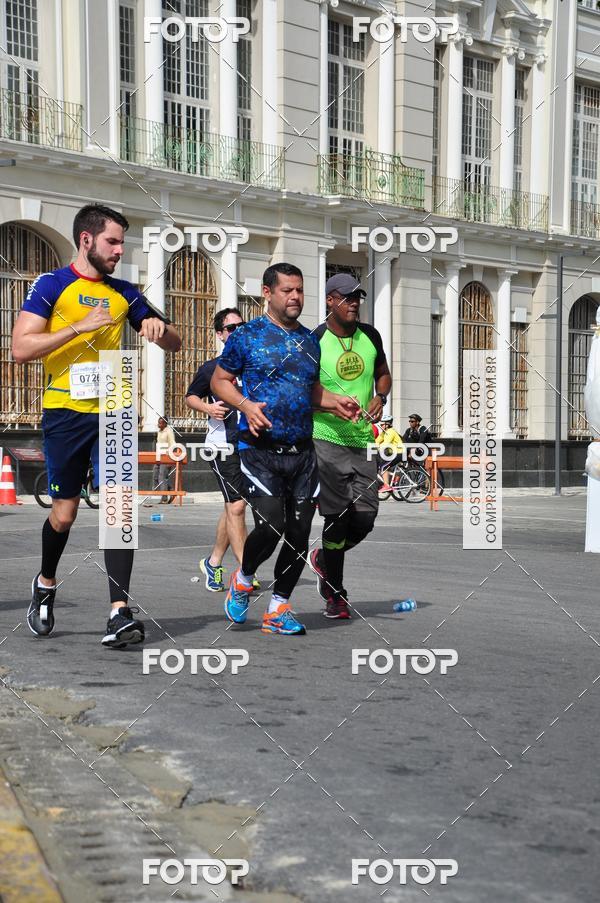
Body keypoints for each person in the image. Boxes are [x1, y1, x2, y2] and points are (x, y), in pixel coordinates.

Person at [12, 203, 181, 647]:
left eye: (121, 243)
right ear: (86, 240)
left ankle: (119, 613)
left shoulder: (126, 292)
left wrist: (158, 328)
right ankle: (45, 584)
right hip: (66, 411)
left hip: (116, 407)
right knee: (64, 513)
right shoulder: (53, 284)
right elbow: (21, 349)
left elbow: (176, 342)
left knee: (119, 509)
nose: (119, 251)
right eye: (112, 241)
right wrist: (79, 328)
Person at [210, 262, 359, 635]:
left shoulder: (310, 340)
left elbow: (308, 391)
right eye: (287, 290)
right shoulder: (247, 336)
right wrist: (245, 406)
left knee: (298, 531)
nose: (295, 297)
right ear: (267, 293)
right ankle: (244, 577)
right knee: (273, 524)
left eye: (299, 290)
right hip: (259, 450)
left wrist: (334, 401)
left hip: (302, 451)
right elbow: (219, 381)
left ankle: (278, 608)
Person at [308, 273, 392, 619]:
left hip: (362, 441)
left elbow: (383, 373)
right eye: (346, 297)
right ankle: (336, 594)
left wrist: (380, 396)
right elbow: (305, 391)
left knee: (366, 518)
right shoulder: (314, 340)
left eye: (357, 297)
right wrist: (330, 405)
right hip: (325, 439)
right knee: (337, 517)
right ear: (330, 300)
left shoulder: (370, 335)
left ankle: (324, 560)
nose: (354, 303)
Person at [185, 307, 258, 592]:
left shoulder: (253, 365)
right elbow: (191, 396)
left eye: (242, 326)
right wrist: (207, 407)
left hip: (250, 444)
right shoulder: (211, 368)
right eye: (231, 328)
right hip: (221, 446)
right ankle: (244, 573)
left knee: (233, 508)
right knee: (237, 506)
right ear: (220, 335)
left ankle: (213, 562)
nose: (238, 331)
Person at [153, 416, 177, 504]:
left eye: (160, 423)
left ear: (165, 423)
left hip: (167, 457)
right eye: (158, 422)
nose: (158, 424)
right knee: (156, 475)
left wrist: (170, 457)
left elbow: (173, 443)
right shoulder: (159, 431)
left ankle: (164, 498)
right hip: (159, 456)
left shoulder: (169, 431)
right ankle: (172, 491)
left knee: (162, 476)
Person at [375, 415, 404, 482]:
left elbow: (385, 444)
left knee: (384, 467)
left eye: (382, 424)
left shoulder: (390, 432)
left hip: (399, 453)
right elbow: (376, 441)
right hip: (393, 453)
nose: (381, 426)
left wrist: (377, 448)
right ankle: (392, 480)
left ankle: (387, 485)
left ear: (387, 425)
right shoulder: (384, 432)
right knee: (382, 465)